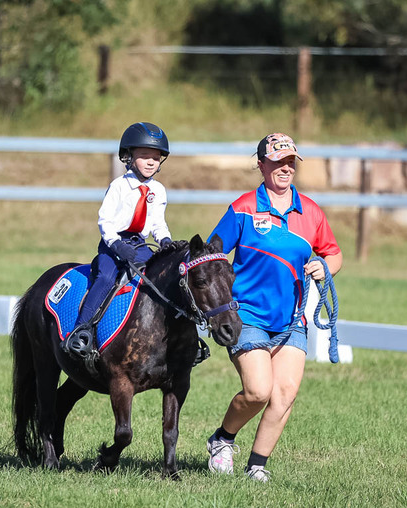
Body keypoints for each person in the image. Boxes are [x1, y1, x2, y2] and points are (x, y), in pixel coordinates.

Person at [205, 132, 343, 482]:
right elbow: (213, 253)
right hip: (246, 314)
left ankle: (257, 467)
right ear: (261, 164)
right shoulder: (243, 208)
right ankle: (222, 439)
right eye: (278, 161)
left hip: (291, 319)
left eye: (290, 162)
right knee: (258, 391)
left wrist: (324, 266)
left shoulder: (310, 211)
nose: (285, 168)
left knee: (284, 394)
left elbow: (334, 253)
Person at [62, 122, 173, 358]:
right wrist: (116, 245)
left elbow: (157, 222)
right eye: (144, 156)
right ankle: (82, 331)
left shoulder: (159, 191)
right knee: (105, 278)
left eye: (156, 157)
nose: (151, 162)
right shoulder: (119, 186)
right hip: (114, 245)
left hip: (140, 245)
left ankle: (174, 338)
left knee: (163, 277)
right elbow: (105, 220)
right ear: (129, 157)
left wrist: (164, 241)